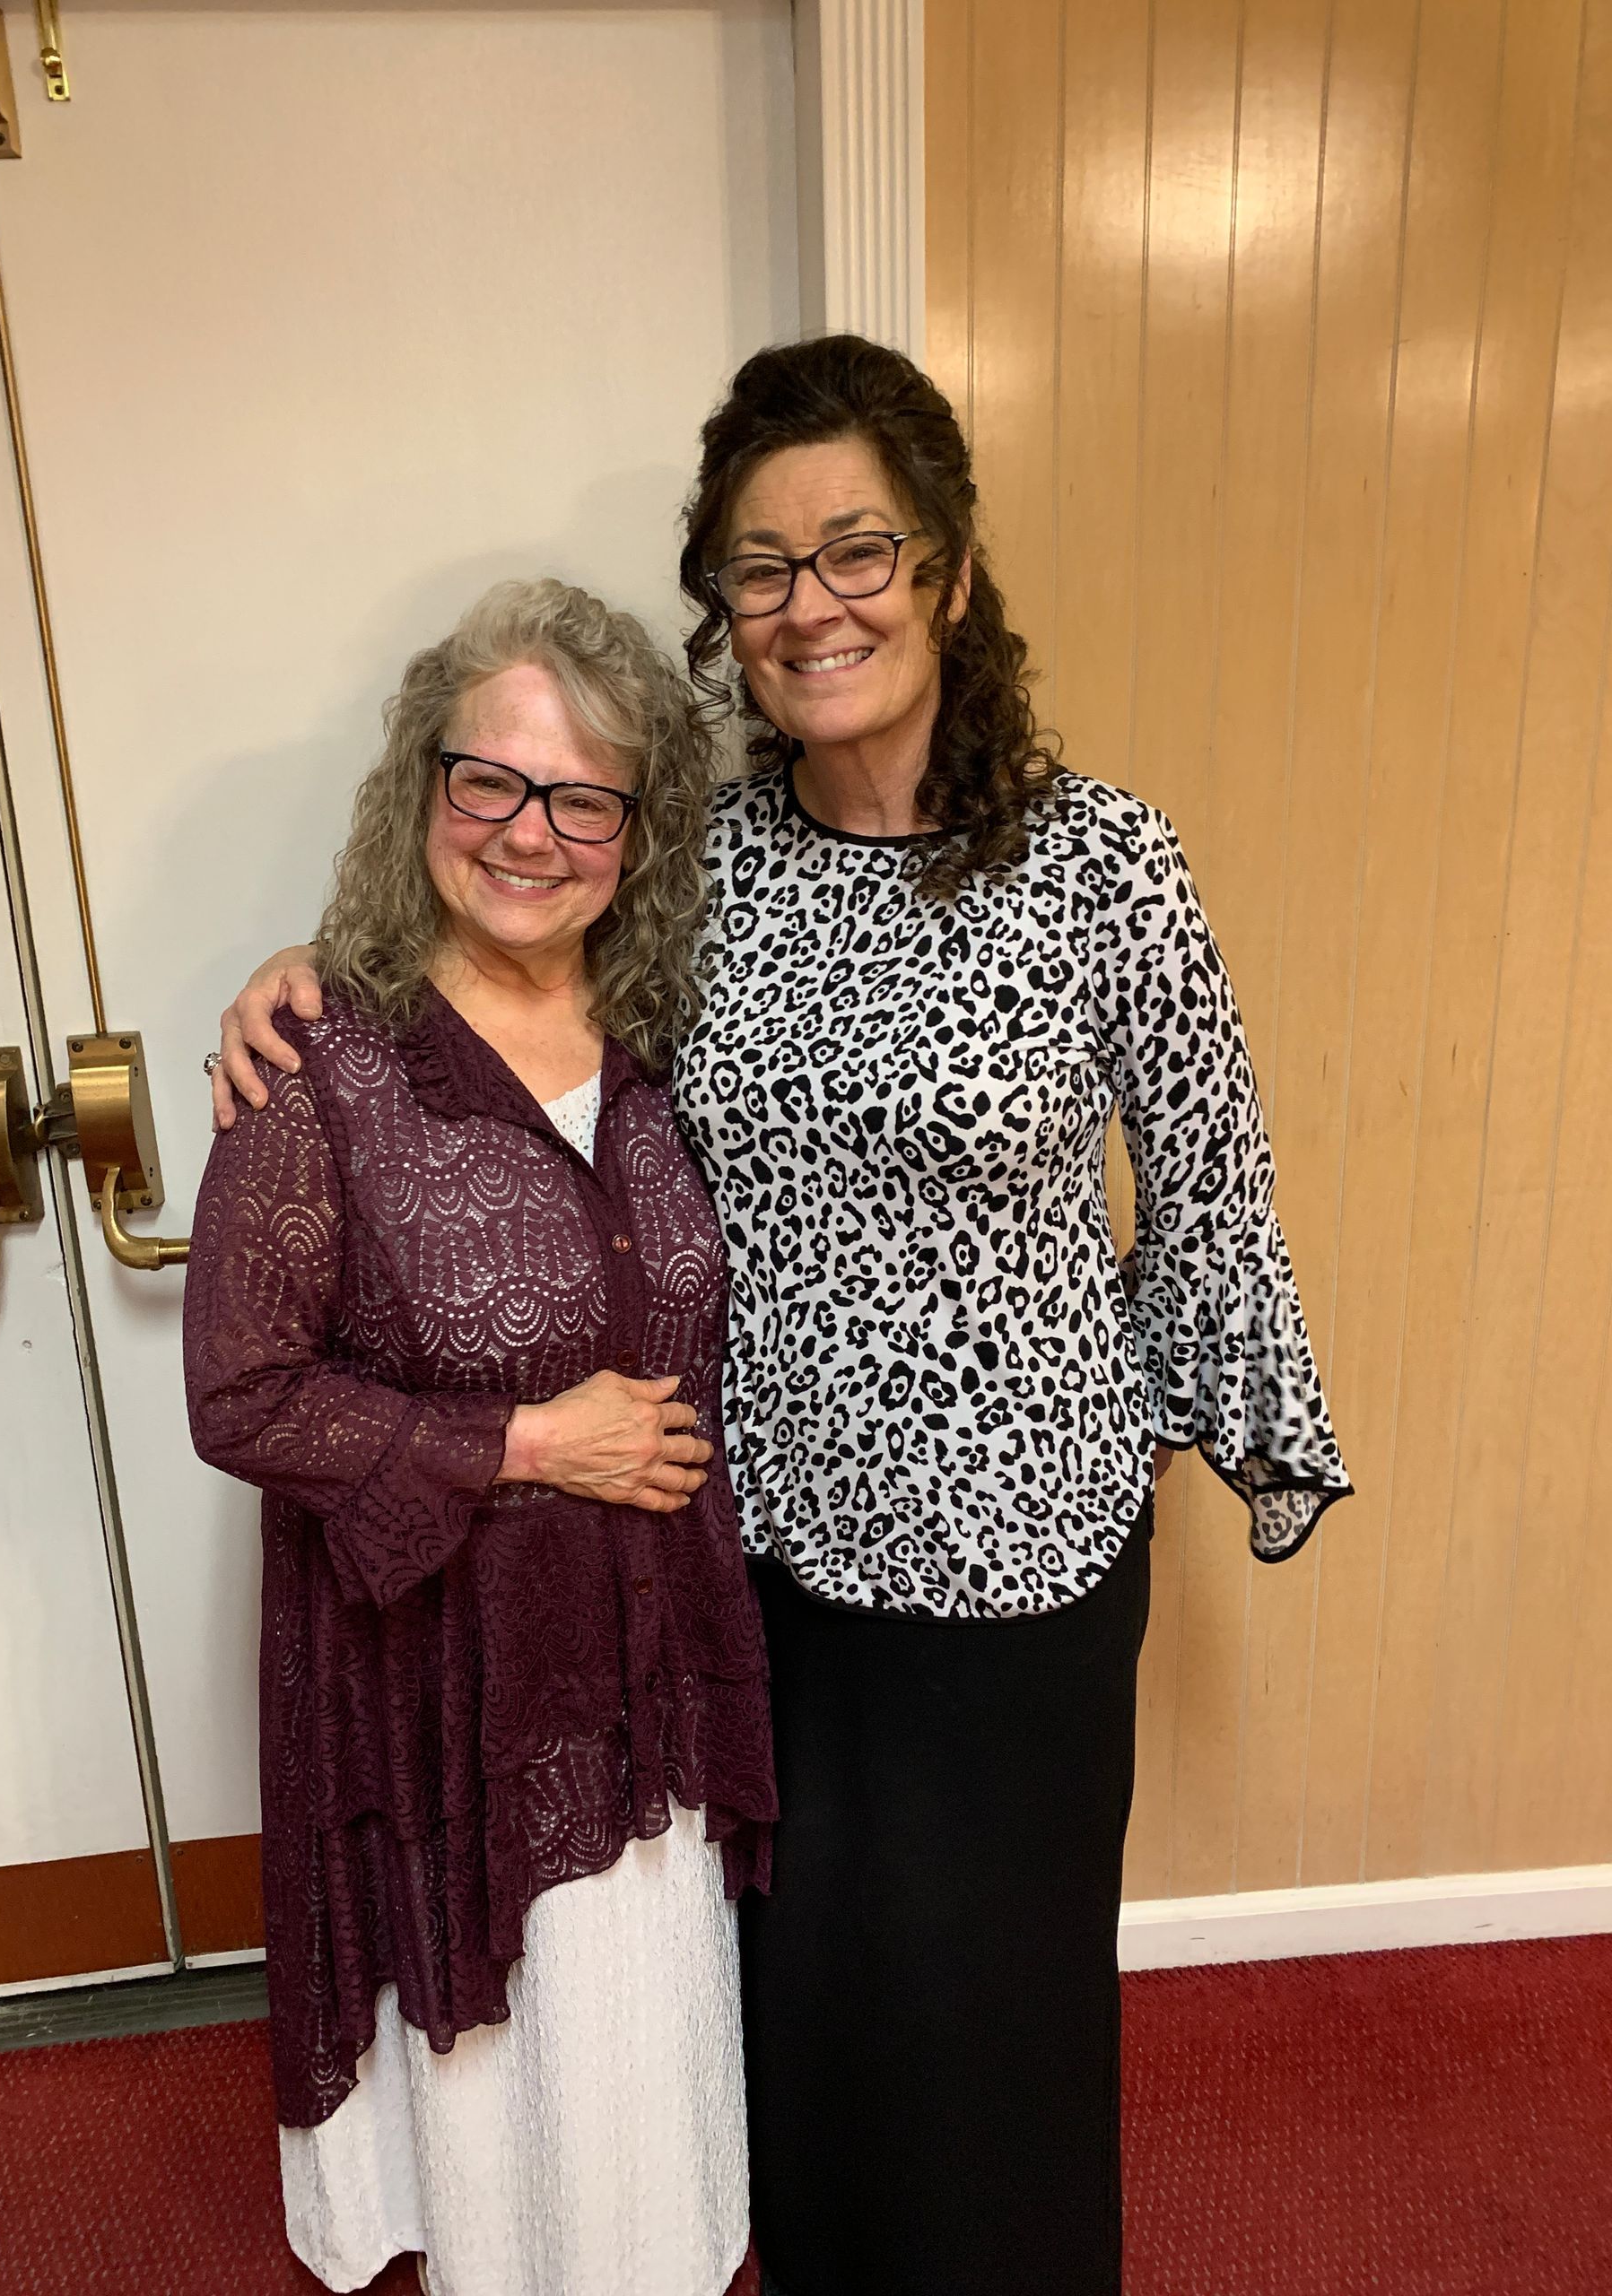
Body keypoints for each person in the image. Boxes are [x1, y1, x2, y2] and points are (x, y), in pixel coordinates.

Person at [211, 336, 1351, 2296]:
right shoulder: (707, 857)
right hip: (768, 1562)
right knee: (805, 2039)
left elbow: (1216, 1196)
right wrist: (313, 960)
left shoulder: (1105, 864)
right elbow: (510, 930)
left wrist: (1106, 1422)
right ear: (722, 607)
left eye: (856, 550)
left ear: (951, 572)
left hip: (1021, 1588)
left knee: (995, 2042)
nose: (809, 602)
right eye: (759, 564)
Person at [184, 577, 777, 2296]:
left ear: (636, 833)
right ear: (421, 790)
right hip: (438, 1684)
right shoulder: (319, 1065)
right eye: (491, 781)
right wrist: (527, 1446)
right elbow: (241, 1398)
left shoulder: (675, 1047)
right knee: (505, 2098)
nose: (531, 832)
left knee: (634, 2049)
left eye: (584, 797)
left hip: (648, 1662)